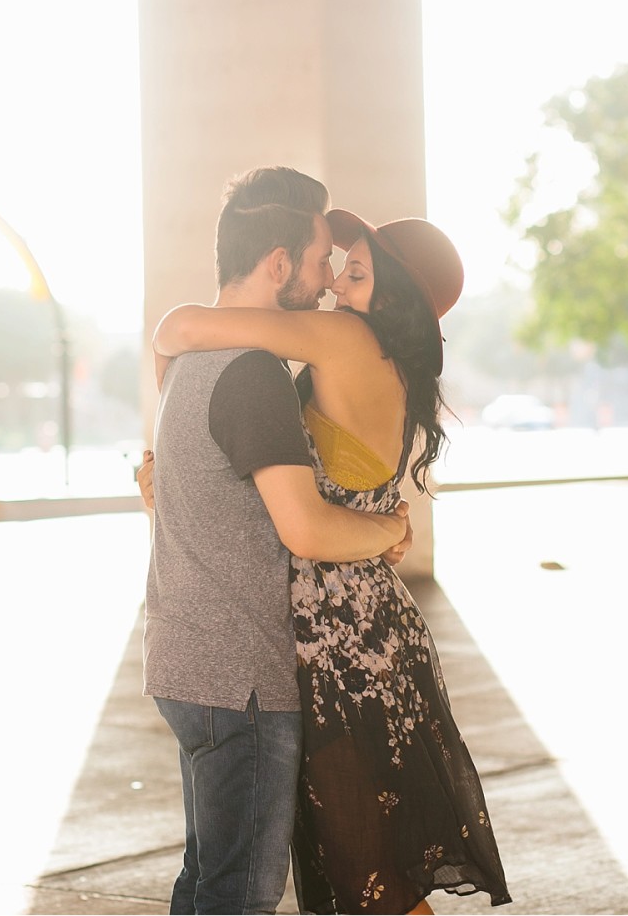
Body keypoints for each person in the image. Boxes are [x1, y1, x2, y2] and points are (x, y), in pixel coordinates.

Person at [145, 208, 513, 915]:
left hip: (344, 644)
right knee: (366, 882)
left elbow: (179, 329)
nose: (337, 284)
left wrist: (173, 416)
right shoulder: (382, 358)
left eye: (358, 272)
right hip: (350, 630)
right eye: (341, 265)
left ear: (396, 296)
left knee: (370, 883)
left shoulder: (345, 338)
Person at [143, 166, 413, 916]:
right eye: (324, 257)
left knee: (203, 882)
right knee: (238, 897)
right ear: (279, 263)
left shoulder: (186, 365)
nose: (328, 280)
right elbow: (305, 526)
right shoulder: (255, 371)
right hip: (243, 681)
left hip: (181, 662)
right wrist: (392, 530)